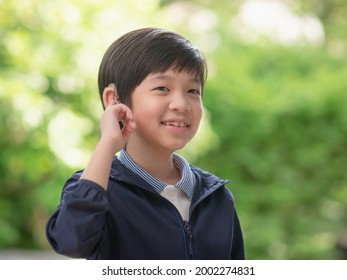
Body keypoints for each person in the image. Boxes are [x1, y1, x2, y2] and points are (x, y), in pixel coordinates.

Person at [46, 27, 245, 260]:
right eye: (162, 88)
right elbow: (71, 242)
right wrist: (108, 142)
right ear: (115, 100)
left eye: (193, 90)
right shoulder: (95, 188)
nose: (181, 104)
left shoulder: (216, 197)